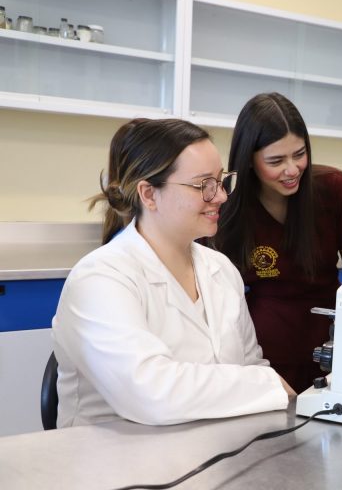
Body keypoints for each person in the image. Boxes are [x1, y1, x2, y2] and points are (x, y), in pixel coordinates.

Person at [53, 118, 292, 428]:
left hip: (215, 448)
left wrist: (263, 386)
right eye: (203, 185)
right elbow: (150, 392)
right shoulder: (99, 279)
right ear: (149, 194)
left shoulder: (221, 269)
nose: (221, 196)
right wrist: (267, 385)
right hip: (113, 454)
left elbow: (251, 367)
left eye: (221, 180)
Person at [212, 93, 342, 392]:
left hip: (334, 347)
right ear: (249, 160)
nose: (292, 169)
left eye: (299, 154)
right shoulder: (226, 207)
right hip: (262, 358)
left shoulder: (333, 189)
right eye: (276, 161)